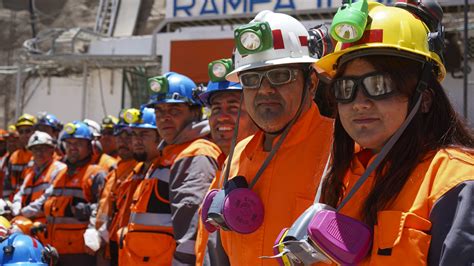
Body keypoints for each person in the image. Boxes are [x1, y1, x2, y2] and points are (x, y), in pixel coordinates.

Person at [303, 1, 473, 265]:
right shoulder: (344, 175)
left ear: (424, 98)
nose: (359, 102)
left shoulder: (456, 182)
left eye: (378, 84)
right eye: (346, 88)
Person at [200, 10, 334, 265]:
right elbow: (218, 251)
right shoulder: (237, 155)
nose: (264, 90)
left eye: (280, 75)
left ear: (312, 83)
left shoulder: (342, 149)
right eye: (251, 79)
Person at [120, 72, 221, 265]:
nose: (165, 118)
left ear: (195, 113)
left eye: (174, 111)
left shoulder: (195, 154)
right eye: (159, 111)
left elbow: (193, 222)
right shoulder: (168, 154)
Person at [194, 60, 258, 265]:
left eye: (233, 108)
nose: (221, 117)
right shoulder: (225, 164)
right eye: (215, 109)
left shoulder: (262, 165)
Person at [43, 121, 107, 266]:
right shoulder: (59, 174)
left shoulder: (96, 174)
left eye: (78, 143)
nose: (72, 148)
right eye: (69, 143)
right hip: (55, 252)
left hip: (81, 254)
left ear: (90, 146)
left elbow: (105, 209)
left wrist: (87, 211)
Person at [86, 111, 137, 265]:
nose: (123, 141)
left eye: (129, 135)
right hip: (107, 247)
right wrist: (94, 229)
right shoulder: (114, 172)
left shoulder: (143, 170)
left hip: (130, 248)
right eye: (119, 135)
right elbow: (103, 205)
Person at [113, 107, 161, 265]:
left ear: (160, 136)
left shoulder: (167, 169)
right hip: (128, 253)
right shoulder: (137, 171)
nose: (137, 140)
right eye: (134, 134)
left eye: (144, 134)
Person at [11, 131, 66, 227]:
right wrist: (16, 208)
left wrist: (24, 212)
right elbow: (20, 194)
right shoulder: (30, 172)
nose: (39, 153)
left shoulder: (59, 169)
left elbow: (48, 197)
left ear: (52, 150)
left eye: (43, 149)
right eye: (36, 149)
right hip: (28, 223)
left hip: (47, 225)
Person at [4, 114, 37, 200]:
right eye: (21, 132)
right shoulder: (14, 157)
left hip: (33, 206)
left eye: (28, 131)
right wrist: (6, 201)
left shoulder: (42, 155)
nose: (24, 135)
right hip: (14, 204)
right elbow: (7, 185)